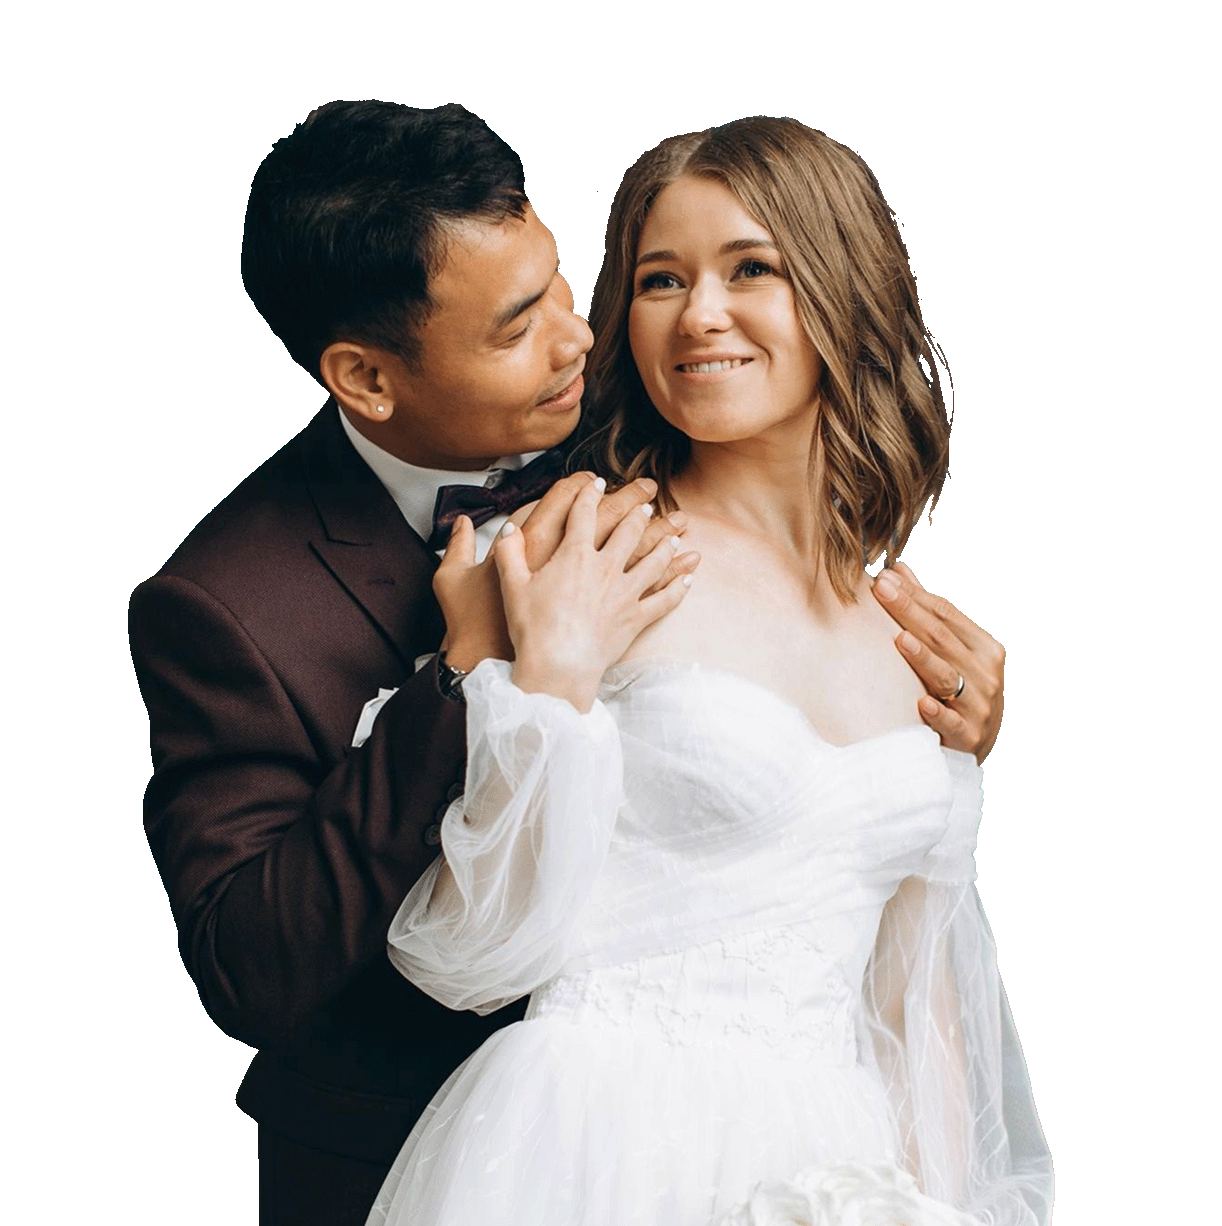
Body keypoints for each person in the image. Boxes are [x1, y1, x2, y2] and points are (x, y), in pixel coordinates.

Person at [129, 102, 1011, 1226]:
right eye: (653, 280)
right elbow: (263, 960)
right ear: (366, 378)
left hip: (823, 1151)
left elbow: (911, 968)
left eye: (566, 287)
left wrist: (946, 767)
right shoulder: (257, 599)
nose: (584, 339)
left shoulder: (876, 597)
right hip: (529, 1139)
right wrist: (488, 674)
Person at [364, 118, 1051, 1225]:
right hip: (600, 1146)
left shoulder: (913, 630)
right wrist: (548, 681)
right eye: (659, 279)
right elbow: (472, 948)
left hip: (838, 1171)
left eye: (752, 269)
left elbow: (918, 1003)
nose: (699, 316)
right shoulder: (581, 550)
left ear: (846, 291)